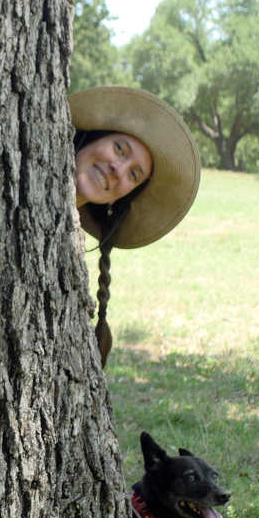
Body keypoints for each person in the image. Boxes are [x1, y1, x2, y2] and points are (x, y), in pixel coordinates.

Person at [68, 86, 201, 367]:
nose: (118, 168)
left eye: (134, 174)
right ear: (92, 137)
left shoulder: (66, 247)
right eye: (119, 148)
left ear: (119, 199)